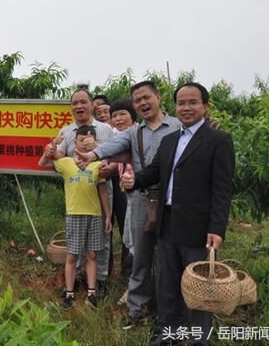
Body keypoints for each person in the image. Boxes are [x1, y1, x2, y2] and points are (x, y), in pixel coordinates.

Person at [120, 82, 235, 346]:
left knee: (197, 288)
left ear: (204, 106)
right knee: (168, 284)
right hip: (167, 222)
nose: (186, 108)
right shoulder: (170, 140)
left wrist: (217, 228)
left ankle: (197, 340)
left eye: (192, 102)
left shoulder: (218, 140)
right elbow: (153, 173)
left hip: (198, 227)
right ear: (175, 106)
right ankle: (167, 334)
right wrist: (133, 180)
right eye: (181, 103)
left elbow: (222, 189)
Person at [75, 81, 181, 328]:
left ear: (158, 97)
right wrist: (93, 154)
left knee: (170, 258)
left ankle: (169, 314)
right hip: (142, 198)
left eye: (147, 97)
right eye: (137, 100)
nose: (143, 103)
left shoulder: (178, 126)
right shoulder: (135, 133)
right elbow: (115, 145)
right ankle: (137, 309)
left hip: (173, 201)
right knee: (140, 255)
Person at [52, 89, 114, 299]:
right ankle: (78, 278)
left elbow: (116, 154)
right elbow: (59, 156)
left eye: (83, 102)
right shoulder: (67, 131)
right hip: (77, 191)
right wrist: (52, 150)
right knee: (76, 240)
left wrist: (105, 160)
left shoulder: (105, 129)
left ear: (92, 105)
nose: (79, 106)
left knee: (100, 240)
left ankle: (100, 280)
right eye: (75, 103)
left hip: (101, 185)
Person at [40, 125, 112, 308]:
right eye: (82, 140)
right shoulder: (66, 162)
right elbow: (42, 164)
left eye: (90, 141)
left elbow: (102, 191)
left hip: (95, 215)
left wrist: (108, 216)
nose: (86, 144)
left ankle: (92, 292)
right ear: (74, 142)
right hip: (74, 214)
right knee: (72, 256)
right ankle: (70, 293)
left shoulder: (98, 164)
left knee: (92, 255)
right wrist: (49, 150)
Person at [99, 99, 138, 304]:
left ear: (133, 116)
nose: (118, 118)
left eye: (122, 114)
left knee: (134, 240)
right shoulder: (122, 136)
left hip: (142, 197)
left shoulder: (138, 135)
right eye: (115, 116)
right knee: (129, 239)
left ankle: (135, 289)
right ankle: (133, 286)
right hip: (129, 193)